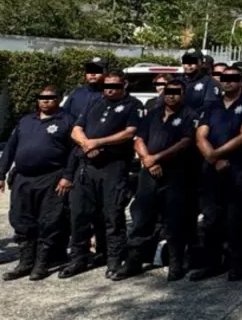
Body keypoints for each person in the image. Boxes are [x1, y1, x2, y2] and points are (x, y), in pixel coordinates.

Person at [60, 71, 144, 279]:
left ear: (124, 85)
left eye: (115, 86)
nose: (110, 89)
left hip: (113, 167)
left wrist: (99, 142)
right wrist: (87, 144)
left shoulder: (133, 104)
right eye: (107, 85)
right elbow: (76, 129)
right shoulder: (95, 102)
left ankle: (114, 260)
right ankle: (78, 258)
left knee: (112, 215)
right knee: (79, 214)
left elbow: (130, 132)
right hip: (86, 166)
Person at [112, 80, 197, 282]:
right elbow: (139, 139)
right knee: (142, 218)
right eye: (168, 92)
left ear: (183, 95)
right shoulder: (152, 114)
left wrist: (156, 158)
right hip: (149, 174)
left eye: (176, 92)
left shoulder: (190, 115)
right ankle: (134, 261)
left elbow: (185, 142)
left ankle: (176, 264)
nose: (171, 96)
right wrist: (148, 160)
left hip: (176, 174)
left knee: (174, 220)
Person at [0, 85, 76, 281]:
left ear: (58, 99)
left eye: (50, 98)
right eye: (42, 97)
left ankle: (42, 263)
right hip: (23, 178)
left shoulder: (67, 121)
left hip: (51, 178)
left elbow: (74, 153)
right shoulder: (26, 121)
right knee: (21, 219)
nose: (45, 101)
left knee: (49, 221)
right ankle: (25, 262)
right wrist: (1, 173)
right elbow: (10, 148)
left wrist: (67, 176)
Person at [192, 66, 242, 282]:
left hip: (237, 170)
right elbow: (200, 135)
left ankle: (235, 264)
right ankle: (212, 263)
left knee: (236, 220)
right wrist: (213, 158)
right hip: (212, 171)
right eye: (224, 78)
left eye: (233, 78)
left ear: (241, 81)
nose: (228, 82)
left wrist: (217, 154)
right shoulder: (211, 106)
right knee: (211, 220)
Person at [180, 49, 221, 115]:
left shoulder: (209, 83)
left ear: (200, 63)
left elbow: (209, 107)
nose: (188, 64)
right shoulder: (176, 82)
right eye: (186, 61)